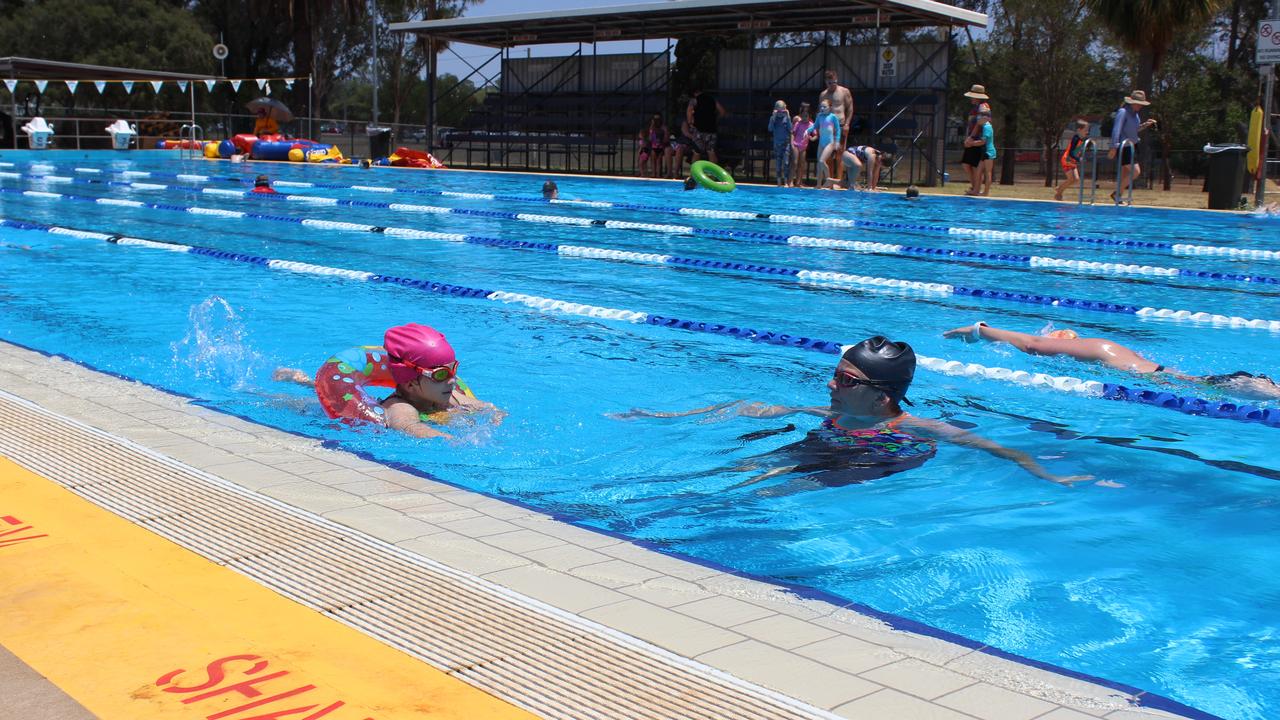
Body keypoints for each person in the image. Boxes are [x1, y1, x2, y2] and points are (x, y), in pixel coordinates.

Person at [613, 336, 1089, 487]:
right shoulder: (830, 410)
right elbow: (745, 405)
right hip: (831, 439)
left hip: (883, 456)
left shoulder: (921, 427)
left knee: (775, 488)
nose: (830, 383)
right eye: (836, 374)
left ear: (882, 397)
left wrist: (1052, 476)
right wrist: (662, 417)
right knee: (744, 467)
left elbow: (1002, 450)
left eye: (845, 380)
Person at [943, 321, 1280, 401]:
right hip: (1169, 376)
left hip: (1160, 380)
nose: (1051, 337)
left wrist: (978, 329)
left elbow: (1029, 344)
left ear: (1064, 337)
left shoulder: (1091, 346)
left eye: (1055, 333)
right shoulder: (1102, 348)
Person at [274, 323, 502, 439]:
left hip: (373, 398)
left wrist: (494, 416)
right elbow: (409, 426)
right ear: (411, 381)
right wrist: (448, 438)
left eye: (454, 370)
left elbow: (489, 408)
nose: (452, 381)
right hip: (342, 411)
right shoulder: (400, 407)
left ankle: (301, 379)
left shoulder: (451, 396)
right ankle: (301, 380)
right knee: (305, 405)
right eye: (441, 375)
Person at [1109, 90, 1156, 204]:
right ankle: (1116, 193)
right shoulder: (1123, 112)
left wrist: (1145, 125)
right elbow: (1117, 129)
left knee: (1125, 173)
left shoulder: (1136, 115)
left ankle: (1118, 197)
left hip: (1133, 145)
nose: (1140, 106)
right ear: (1132, 102)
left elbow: (1135, 130)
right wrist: (1114, 146)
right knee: (1136, 171)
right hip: (1124, 146)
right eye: (1138, 103)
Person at [818, 69, 854, 183]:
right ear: (826, 82)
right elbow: (820, 112)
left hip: (841, 126)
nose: (832, 85)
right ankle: (829, 180)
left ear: (836, 80)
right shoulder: (823, 95)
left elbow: (850, 108)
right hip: (827, 129)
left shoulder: (844, 91)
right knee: (827, 156)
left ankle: (838, 180)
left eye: (834, 82)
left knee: (840, 155)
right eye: (829, 83)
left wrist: (847, 124)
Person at [960, 84, 991, 196]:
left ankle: (976, 189)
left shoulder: (983, 107)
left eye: (973, 96)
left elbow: (980, 124)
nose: (971, 98)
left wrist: (971, 139)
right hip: (972, 139)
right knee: (967, 164)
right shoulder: (975, 108)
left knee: (975, 166)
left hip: (978, 140)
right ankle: (974, 187)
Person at [686, 89, 726, 164]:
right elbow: (722, 112)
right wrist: (716, 119)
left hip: (699, 129)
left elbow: (689, 111)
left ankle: (694, 174)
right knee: (711, 152)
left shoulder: (694, 100)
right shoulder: (712, 99)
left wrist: (690, 123)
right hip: (711, 130)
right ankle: (713, 174)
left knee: (697, 152)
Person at [1055, 119, 1090, 201]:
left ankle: (1059, 189)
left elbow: (1077, 151)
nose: (1087, 132)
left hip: (1072, 161)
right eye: (1085, 130)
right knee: (1071, 179)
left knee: (1076, 179)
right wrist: (1079, 159)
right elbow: (1071, 153)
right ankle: (1059, 192)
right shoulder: (1076, 139)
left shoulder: (1081, 139)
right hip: (1067, 160)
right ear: (1079, 130)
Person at [963, 112, 995, 196]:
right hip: (984, 152)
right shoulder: (984, 127)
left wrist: (971, 143)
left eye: (980, 119)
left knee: (987, 172)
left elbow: (983, 142)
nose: (978, 121)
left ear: (986, 119)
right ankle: (976, 190)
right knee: (978, 171)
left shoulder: (987, 127)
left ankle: (986, 192)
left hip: (989, 152)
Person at [813, 99, 842, 190]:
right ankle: (818, 185)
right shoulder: (819, 116)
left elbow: (838, 130)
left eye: (824, 106)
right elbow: (814, 126)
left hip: (830, 142)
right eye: (821, 106)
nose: (822, 108)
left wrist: (837, 141)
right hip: (821, 142)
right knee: (819, 164)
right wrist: (807, 131)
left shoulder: (833, 116)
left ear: (830, 107)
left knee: (822, 161)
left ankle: (829, 181)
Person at [767, 100, 794, 187]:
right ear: (775, 110)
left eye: (782, 111)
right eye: (778, 111)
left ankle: (786, 181)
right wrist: (774, 117)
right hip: (777, 145)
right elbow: (770, 129)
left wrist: (789, 117)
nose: (780, 113)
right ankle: (778, 181)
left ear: (785, 109)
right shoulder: (773, 118)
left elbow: (791, 129)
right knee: (778, 163)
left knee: (786, 162)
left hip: (786, 144)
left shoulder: (786, 118)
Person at [790, 102, 814, 188]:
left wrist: (812, 138)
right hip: (796, 145)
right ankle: (791, 181)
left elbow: (816, 135)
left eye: (806, 116)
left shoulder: (811, 125)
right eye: (803, 116)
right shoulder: (798, 123)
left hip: (803, 147)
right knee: (795, 162)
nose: (804, 118)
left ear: (809, 116)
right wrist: (792, 143)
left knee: (801, 164)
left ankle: (798, 182)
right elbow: (793, 133)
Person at [637, 114, 668, 178]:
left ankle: (658, 174)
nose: (657, 121)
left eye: (658, 119)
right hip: (652, 147)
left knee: (658, 161)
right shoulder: (651, 128)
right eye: (655, 120)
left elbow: (665, 139)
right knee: (650, 160)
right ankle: (651, 173)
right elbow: (650, 138)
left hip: (659, 146)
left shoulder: (663, 128)